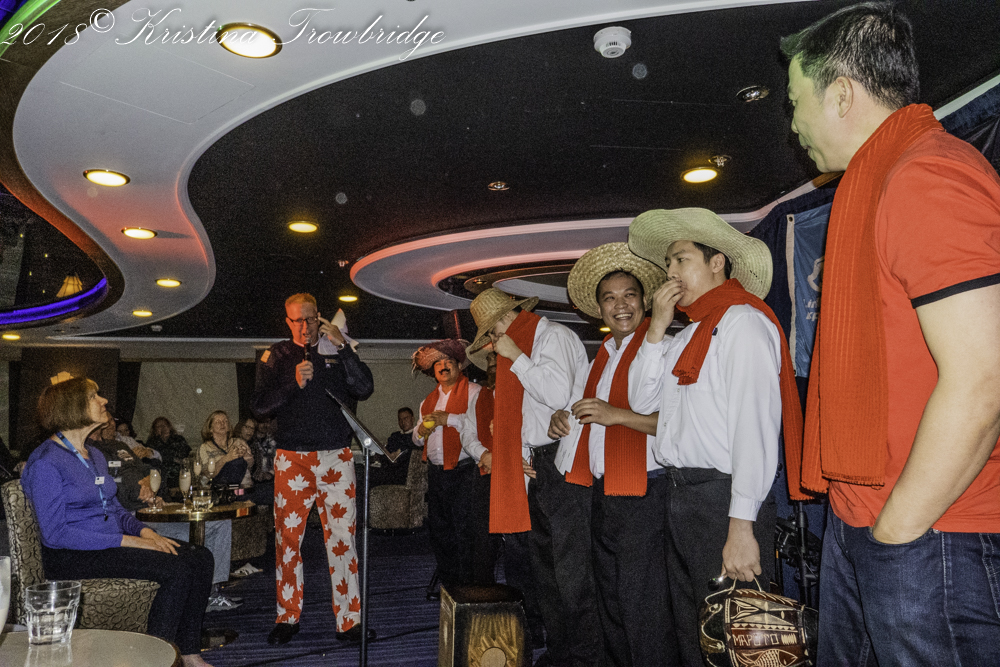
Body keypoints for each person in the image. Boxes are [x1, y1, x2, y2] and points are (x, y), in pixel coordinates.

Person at [780, 4, 1000, 664]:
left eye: (795, 101)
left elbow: (985, 378)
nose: (792, 124)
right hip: (864, 515)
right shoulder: (875, 185)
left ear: (841, 94)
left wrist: (899, 526)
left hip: (931, 530)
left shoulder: (926, 174)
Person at [627, 208, 802, 666]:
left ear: (717, 261)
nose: (670, 272)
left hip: (723, 499)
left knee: (739, 642)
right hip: (683, 494)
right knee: (697, 633)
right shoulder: (688, 335)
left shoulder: (743, 322)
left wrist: (742, 526)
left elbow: (754, 429)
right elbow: (641, 400)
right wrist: (657, 326)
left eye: (681, 259)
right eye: (668, 263)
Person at [21, 377, 215, 667]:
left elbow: (114, 508)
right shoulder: (46, 461)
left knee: (201, 557)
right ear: (73, 406)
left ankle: (188, 652)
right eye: (94, 396)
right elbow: (55, 534)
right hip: (72, 555)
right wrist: (130, 541)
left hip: (109, 546)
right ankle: (153, 661)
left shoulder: (95, 455)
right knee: (177, 569)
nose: (104, 401)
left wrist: (145, 531)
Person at [552, 243, 676, 667]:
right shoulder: (602, 357)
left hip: (647, 494)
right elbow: (586, 415)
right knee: (612, 607)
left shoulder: (666, 347)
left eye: (629, 295)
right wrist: (561, 419)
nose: (620, 305)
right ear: (599, 309)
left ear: (645, 302)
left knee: (645, 610)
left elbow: (676, 425)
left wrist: (615, 415)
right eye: (610, 298)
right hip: (603, 495)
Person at [466, 287, 600, 667]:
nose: (493, 343)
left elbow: (556, 395)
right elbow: (529, 418)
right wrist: (523, 455)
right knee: (547, 572)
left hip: (565, 461)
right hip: (540, 463)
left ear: (506, 319)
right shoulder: (522, 347)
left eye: (492, 334)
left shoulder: (551, 336)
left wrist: (516, 356)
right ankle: (560, 654)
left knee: (572, 574)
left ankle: (586, 659)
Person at [253, 292, 375, 646]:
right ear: (287, 321)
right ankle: (287, 617)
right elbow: (259, 407)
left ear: (319, 316)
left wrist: (343, 347)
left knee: (342, 540)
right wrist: (293, 382)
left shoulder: (336, 349)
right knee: (287, 541)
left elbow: (365, 388)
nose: (304, 327)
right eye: (297, 321)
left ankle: (349, 622)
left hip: (336, 456)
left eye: (310, 319)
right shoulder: (276, 355)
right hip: (292, 459)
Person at [411, 339, 482, 590]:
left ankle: (468, 587)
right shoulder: (427, 401)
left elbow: (478, 426)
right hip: (436, 474)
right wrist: (420, 431)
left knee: (465, 531)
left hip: (465, 472)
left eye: (448, 361)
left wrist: (448, 419)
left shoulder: (474, 391)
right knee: (440, 531)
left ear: (459, 366)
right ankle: (450, 586)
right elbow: (416, 440)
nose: (443, 366)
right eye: (438, 363)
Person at [198, 411, 253, 489]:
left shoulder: (239, 442)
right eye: (218, 422)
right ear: (210, 428)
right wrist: (226, 458)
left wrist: (247, 457)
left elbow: (251, 464)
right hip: (217, 490)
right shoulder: (205, 447)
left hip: (242, 488)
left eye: (225, 421)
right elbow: (207, 474)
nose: (222, 424)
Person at [146, 416, 191, 489]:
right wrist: (172, 458)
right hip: (162, 476)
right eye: (159, 426)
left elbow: (184, 453)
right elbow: (155, 457)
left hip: (178, 474)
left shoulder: (178, 439)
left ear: (169, 427)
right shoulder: (152, 442)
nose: (163, 428)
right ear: (155, 430)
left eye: (165, 425)